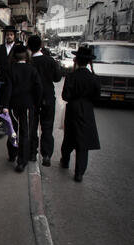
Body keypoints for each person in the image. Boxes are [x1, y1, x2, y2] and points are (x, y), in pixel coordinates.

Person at [60, 47, 100, 182]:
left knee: (69, 138)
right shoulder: (94, 78)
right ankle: (79, 173)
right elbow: (97, 97)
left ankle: (65, 161)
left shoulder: (71, 77)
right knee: (83, 143)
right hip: (87, 111)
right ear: (89, 62)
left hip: (73, 110)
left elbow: (65, 96)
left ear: (76, 60)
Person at [0, 44, 43, 172]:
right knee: (25, 133)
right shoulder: (32, 69)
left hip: (13, 105)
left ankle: (12, 154)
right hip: (28, 106)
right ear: (26, 56)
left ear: (14, 56)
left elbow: (7, 89)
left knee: (12, 130)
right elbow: (38, 88)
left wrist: (5, 106)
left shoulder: (10, 69)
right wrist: (37, 103)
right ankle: (22, 162)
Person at [27, 35, 62, 167]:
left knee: (32, 126)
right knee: (47, 127)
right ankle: (46, 155)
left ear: (29, 46)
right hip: (48, 98)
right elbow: (57, 78)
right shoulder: (50, 60)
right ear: (41, 46)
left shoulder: (29, 62)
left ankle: (32, 153)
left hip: (33, 99)